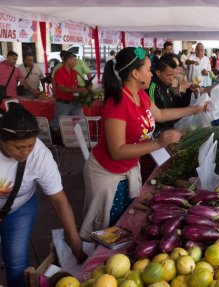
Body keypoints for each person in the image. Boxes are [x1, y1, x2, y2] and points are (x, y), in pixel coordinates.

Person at [80, 47, 206, 240]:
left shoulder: (140, 95)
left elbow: (161, 114)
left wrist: (193, 110)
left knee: (123, 222)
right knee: (108, 228)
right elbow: (117, 151)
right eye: (148, 69)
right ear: (135, 73)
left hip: (127, 169)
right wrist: (159, 143)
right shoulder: (117, 103)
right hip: (108, 173)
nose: (151, 73)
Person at [0, 103, 86, 287]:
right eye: (18, 147)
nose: (25, 152)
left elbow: (59, 200)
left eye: (30, 145)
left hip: (18, 209)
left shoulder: (40, 155)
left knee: (16, 263)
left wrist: (75, 240)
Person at [147, 55, 195, 135]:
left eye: (173, 75)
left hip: (173, 128)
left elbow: (176, 104)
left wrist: (189, 91)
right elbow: (155, 117)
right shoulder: (153, 88)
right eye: (169, 75)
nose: (172, 78)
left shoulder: (167, 85)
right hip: (161, 134)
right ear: (158, 73)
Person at [50, 51, 87, 130]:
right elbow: (61, 88)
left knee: (80, 120)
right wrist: (78, 89)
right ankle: (51, 139)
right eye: (74, 60)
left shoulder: (74, 72)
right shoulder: (59, 72)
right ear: (68, 60)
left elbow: (75, 85)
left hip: (74, 101)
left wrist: (83, 88)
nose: (75, 62)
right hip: (63, 103)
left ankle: (78, 139)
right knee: (57, 124)